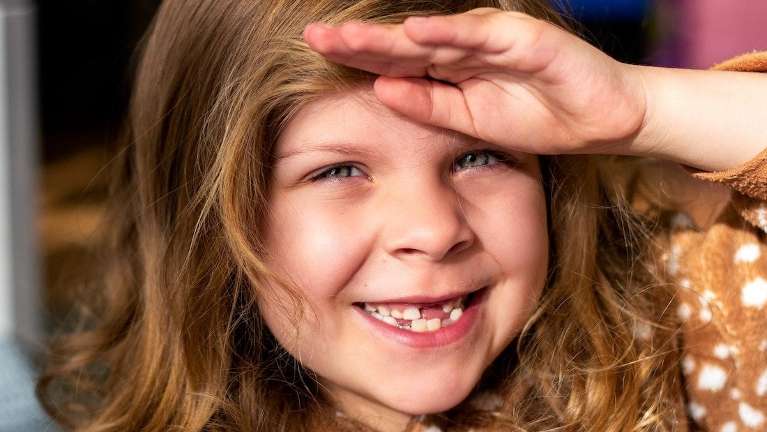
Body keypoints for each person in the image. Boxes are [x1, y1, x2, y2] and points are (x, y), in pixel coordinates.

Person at [35, 0, 767, 431]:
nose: (432, 228)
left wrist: (643, 109)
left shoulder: (681, 335)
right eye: (338, 170)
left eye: (478, 156)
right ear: (208, 223)